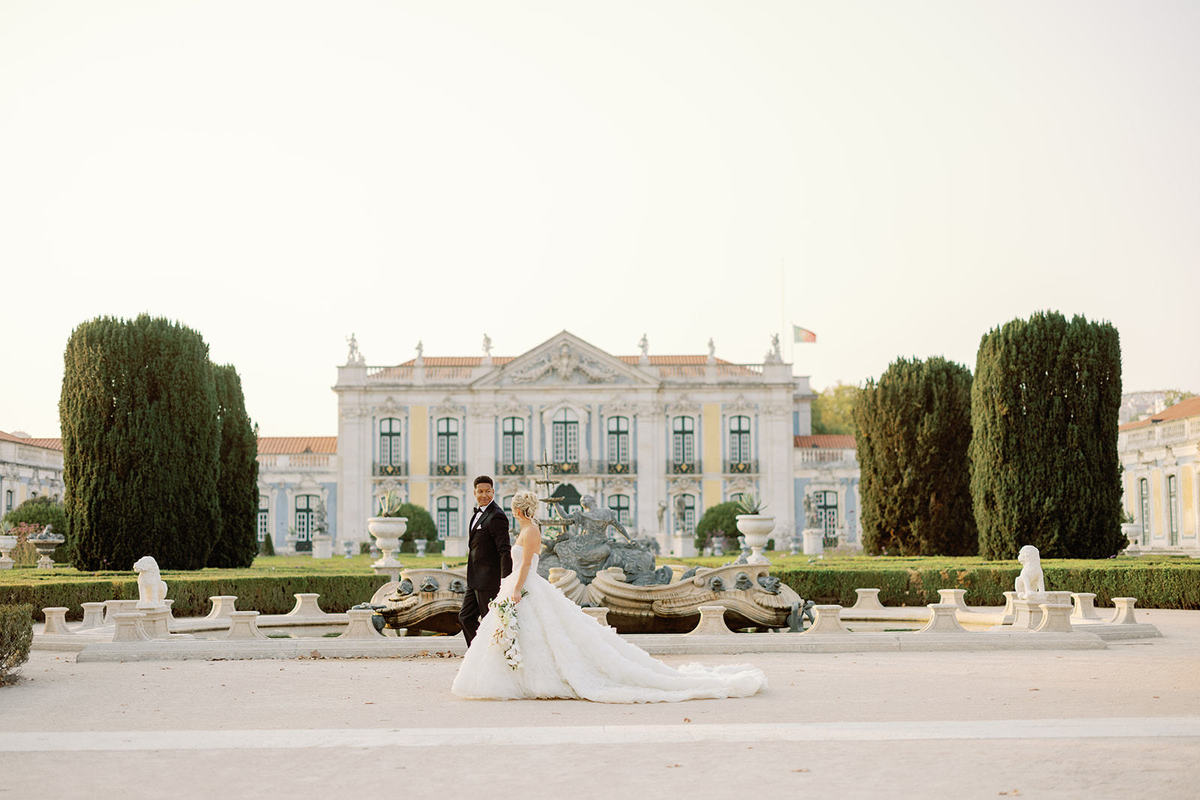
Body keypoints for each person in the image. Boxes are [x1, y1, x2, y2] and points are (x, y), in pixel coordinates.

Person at [451, 491, 767, 703]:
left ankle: (530, 677)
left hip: (526, 586)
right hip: (521, 586)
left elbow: (527, 565)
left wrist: (516, 588)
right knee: (536, 636)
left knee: (538, 635)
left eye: (513, 508)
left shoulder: (531, 531)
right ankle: (522, 675)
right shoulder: (527, 528)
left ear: (518, 509)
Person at [457, 475, 513, 647]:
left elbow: (504, 551)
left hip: (489, 580)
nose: (484, 495)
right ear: (474, 492)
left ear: (493, 492)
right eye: (480, 491)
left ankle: (491, 657)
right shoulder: (477, 514)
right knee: (465, 617)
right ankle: (478, 652)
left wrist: (506, 581)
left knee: (490, 622)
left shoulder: (497, 516)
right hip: (474, 580)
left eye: (488, 491)